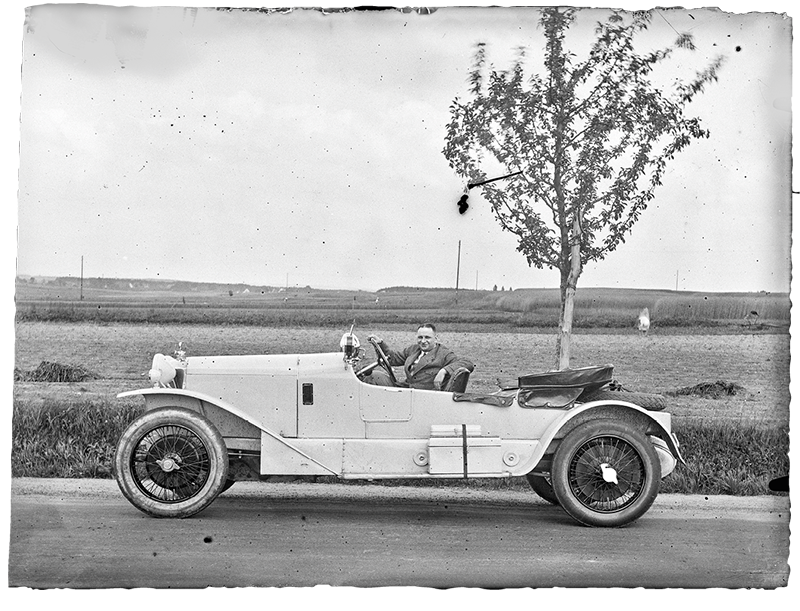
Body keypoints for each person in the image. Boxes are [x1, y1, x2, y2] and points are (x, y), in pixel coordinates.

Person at [364, 323, 475, 390]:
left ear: (436, 338)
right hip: (406, 389)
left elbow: (468, 363)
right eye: (420, 337)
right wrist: (380, 343)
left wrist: (444, 371)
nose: (423, 341)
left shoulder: (443, 353)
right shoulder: (413, 349)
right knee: (373, 376)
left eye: (427, 337)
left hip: (424, 396)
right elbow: (392, 359)